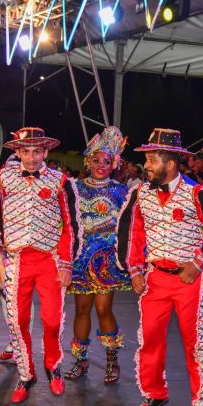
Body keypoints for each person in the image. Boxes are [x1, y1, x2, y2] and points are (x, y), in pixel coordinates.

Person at [116, 128, 203, 406]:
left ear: (171, 162)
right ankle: (154, 393)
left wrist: (198, 262)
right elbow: (130, 232)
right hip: (154, 279)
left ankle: (200, 400)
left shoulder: (198, 193)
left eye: (153, 159)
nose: (148, 165)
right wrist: (135, 269)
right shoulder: (140, 194)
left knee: (194, 342)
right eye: (148, 159)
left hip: (187, 281)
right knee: (150, 338)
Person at [0, 127, 81, 403]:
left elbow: (71, 225)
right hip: (17, 260)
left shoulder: (61, 181)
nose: (31, 157)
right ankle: (26, 373)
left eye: (37, 151)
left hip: (49, 260)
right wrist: (0, 256)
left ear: (46, 152)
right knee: (18, 322)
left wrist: (66, 264)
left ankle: (53, 367)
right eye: (26, 151)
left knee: (52, 321)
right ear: (17, 152)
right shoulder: (2, 178)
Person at [65, 127, 131, 383]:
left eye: (106, 161)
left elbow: (129, 224)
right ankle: (80, 360)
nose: (101, 165)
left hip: (105, 259)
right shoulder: (75, 188)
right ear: (88, 161)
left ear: (113, 164)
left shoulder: (121, 190)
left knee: (104, 309)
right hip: (81, 258)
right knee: (81, 309)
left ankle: (112, 360)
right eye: (96, 160)